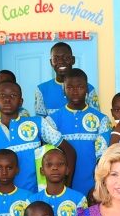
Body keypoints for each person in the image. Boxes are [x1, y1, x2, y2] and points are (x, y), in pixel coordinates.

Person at [0, 80, 63, 193]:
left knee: (90, 207)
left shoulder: (38, 123)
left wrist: (66, 186)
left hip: (36, 201)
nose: (7, 99)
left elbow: (69, 151)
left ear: (21, 102)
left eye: (13, 95)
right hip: (7, 204)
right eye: (2, 95)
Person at [43, 68, 103, 197]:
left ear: (87, 89)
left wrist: (99, 185)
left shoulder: (101, 119)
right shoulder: (51, 120)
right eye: (69, 87)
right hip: (62, 189)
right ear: (63, 89)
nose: (75, 91)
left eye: (80, 87)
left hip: (93, 188)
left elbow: (102, 158)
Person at [31, 148, 88, 216]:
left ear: (67, 170)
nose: (54, 168)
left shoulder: (79, 199)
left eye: (60, 164)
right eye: (49, 165)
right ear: (42, 171)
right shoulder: (32, 201)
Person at [35, 41, 98, 116]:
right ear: (51, 62)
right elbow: (41, 122)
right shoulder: (41, 90)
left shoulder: (88, 89)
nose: (61, 61)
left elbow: (95, 118)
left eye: (66, 58)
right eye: (56, 59)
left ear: (73, 60)